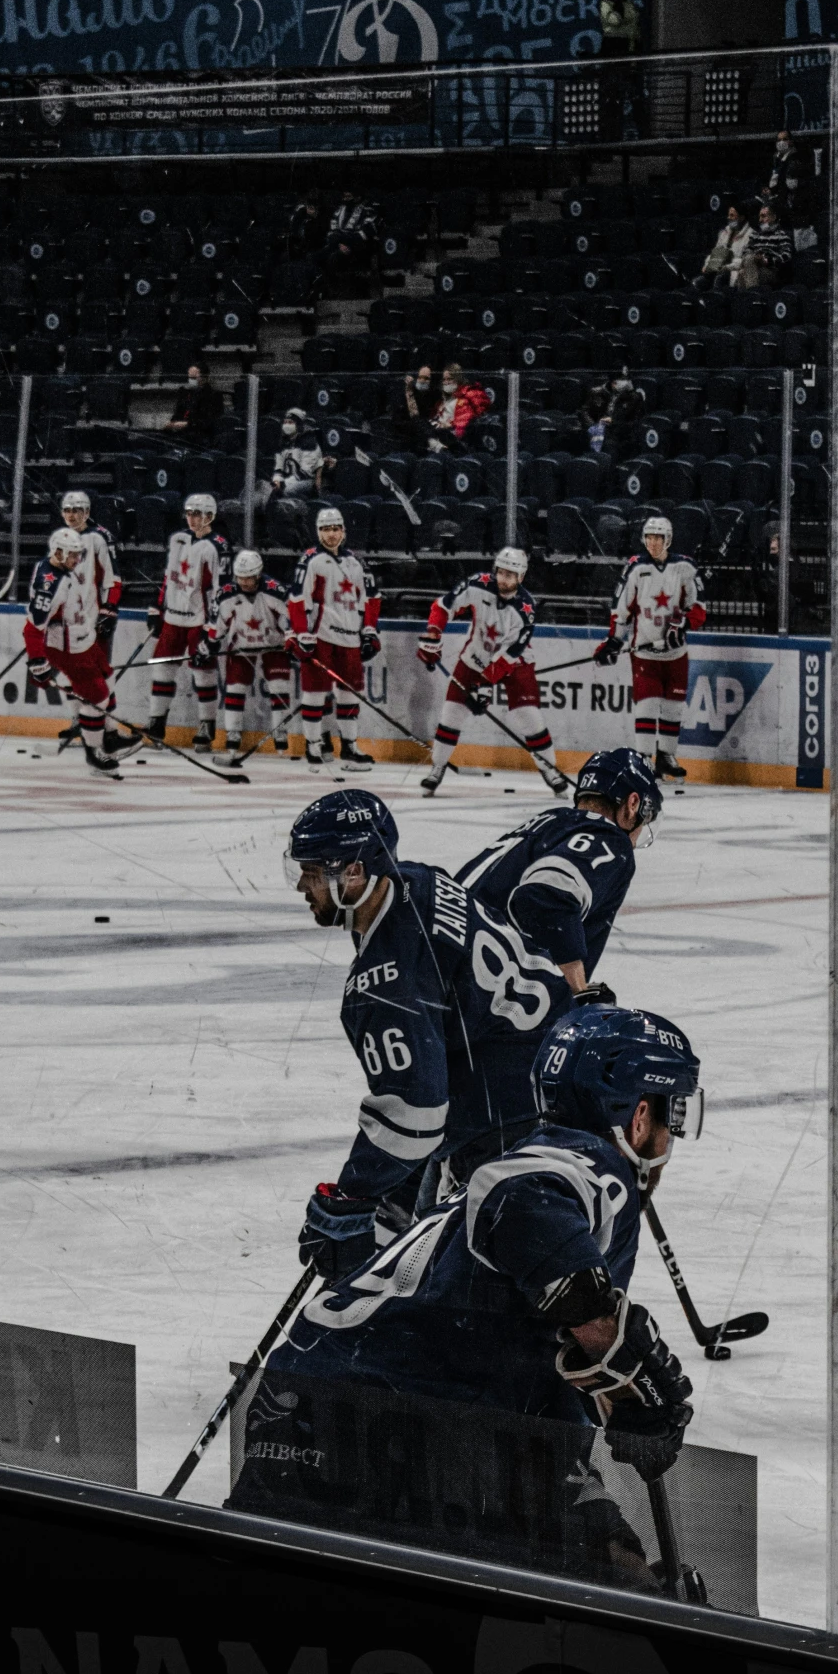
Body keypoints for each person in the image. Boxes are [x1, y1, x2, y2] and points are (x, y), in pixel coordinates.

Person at [230, 1005, 699, 1593]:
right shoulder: (590, 1164)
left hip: (302, 1403)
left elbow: (540, 1424)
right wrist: (610, 1338)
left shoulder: (534, 1152)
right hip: (380, 1429)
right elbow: (517, 1199)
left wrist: (617, 1551)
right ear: (638, 1117)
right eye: (672, 1114)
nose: (670, 1138)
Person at [282, 789, 571, 1280]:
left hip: (510, 1116)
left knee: (474, 1280)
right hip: (559, 1059)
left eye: (311, 873)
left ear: (352, 872)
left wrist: (353, 1195)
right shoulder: (417, 879)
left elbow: (414, 1116)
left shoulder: (385, 982)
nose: (301, 887)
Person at [454, 747, 661, 995]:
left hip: (439, 958)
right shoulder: (611, 838)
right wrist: (576, 991)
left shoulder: (551, 820)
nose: (636, 838)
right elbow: (543, 897)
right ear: (633, 803)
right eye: (645, 817)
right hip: (467, 986)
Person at [417, 546, 564, 797]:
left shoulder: (526, 608)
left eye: (511, 575)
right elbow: (443, 606)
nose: (504, 579)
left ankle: (550, 769)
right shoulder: (478, 584)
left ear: (521, 577)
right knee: (451, 714)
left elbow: (512, 652)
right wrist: (433, 633)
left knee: (529, 717)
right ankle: (437, 767)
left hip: (514, 664)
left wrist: (484, 684)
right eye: (501, 572)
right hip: (475, 657)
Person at [594, 515, 704, 783]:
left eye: (659, 538)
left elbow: (698, 607)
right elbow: (621, 610)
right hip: (644, 652)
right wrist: (614, 641)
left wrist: (683, 625)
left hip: (676, 653)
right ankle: (644, 760)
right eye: (649, 537)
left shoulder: (685, 567)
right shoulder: (635, 568)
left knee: (673, 707)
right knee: (647, 704)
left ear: (668, 540)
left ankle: (666, 756)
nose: (653, 543)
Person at [287, 505, 382, 771]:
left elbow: (372, 598)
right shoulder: (311, 560)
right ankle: (313, 743)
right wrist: (300, 632)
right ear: (318, 532)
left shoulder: (357, 562)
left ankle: (349, 745)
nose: (331, 534)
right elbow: (297, 598)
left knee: (349, 693)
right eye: (326, 529)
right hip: (321, 638)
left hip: (351, 638)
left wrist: (369, 630)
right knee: (315, 692)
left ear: (343, 531)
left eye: (335, 529)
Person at [25, 527, 120, 778]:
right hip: (67, 646)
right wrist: (37, 660)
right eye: (73, 555)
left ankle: (109, 735)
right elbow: (33, 628)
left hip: (81, 638)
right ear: (58, 552)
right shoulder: (52, 585)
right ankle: (94, 751)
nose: (78, 560)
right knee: (97, 695)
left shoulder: (61, 570)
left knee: (106, 677)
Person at [145, 492, 231, 752]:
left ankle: (206, 726)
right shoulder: (178, 539)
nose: (193, 519)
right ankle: (156, 725)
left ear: (211, 516)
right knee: (161, 670)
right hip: (173, 617)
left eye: (199, 514)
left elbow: (222, 590)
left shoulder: (218, 546)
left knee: (203, 674)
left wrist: (212, 629)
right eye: (190, 513)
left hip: (199, 620)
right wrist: (156, 608)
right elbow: (168, 578)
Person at [206, 549, 291, 758]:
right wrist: (210, 643)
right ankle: (233, 733)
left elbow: (291, 618)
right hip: (241, 646)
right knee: (235, 687)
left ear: (259, 574)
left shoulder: (276, 591)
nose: (244, 582)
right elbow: (217, 624)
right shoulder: (226, 593)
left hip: (274, 645)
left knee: (279, 687)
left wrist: (292, 639)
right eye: (240, 577)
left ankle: (280, 732)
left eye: (248, 577)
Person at [58, 488, 122, 667]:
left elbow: (113, 577)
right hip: (70, 619)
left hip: (93, 617)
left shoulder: (98, 537)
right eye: (67, 510)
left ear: (86, 512)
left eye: (76, 510)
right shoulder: (61, 540)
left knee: (96, 675)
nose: (71, 515)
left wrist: (109, 608)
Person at [262, 406, 326, 549]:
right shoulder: (283, 444)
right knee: (264, 489)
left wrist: (281, 485)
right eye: (285, 422)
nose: (287, 425)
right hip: (288, 482)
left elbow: (305, 472)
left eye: (290, 422)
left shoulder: (309, 443)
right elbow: (278, 468)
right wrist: (277, 480)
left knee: (285, 491)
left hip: (306, 482)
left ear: (298, 424)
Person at [405, 361, 490, 455]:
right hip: (438, 434)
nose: (446, 382)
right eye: (444, 379)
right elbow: (430, 417)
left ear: (457, 379)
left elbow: (463, 424)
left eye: (449, 379)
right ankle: (435, 446)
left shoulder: (466, 398)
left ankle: (436, 446)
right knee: (417, 422)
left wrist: (449, 424)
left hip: (454, 439)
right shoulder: (442, 400)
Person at [598, 0, 641, 143]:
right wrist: (617, 3)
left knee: (634, 97)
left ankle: (637, 137)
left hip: (631, 52)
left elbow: (634, 26)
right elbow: (614, 22)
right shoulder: (605, 3)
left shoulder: (628, 3)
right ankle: (610, 138)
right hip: (614, 53)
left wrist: (636, 52)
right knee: (612, 99)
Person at [320, 192, 380, 290]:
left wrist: (342, 238)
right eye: (344, 196)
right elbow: (332, 232)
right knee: (319, 255)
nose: (346, 199)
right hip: (339, 245)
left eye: (349, 197)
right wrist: (340, 244)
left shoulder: (367, 211)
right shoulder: (338, 211)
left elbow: (366, 233)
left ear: (357, 198)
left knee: (333, 257)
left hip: (358, 246)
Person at [738, 202, 793, 289]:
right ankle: (751, 295)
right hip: (753, 266)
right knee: (743, 270)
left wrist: (767, 261)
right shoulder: (755, 234)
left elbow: (787, 256)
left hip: (771, 271)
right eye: (759, 216)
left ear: (774, 217)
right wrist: (756, 257)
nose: (760, 220)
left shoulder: (782, 235)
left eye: (763, 216)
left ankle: (751, 294)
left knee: (743, 273)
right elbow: (746, 251)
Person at [697, 202, 751, 289]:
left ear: (741, 218)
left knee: (719, 279)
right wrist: (707, 265)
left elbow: (745, 261)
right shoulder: (725, 232)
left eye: (732, 215)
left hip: (733, 272)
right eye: (728, 215)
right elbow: (715, 253)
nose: (728, 218)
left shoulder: (750, 235)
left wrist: (725, 266)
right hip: (717, 268)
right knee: (699, 282)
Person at [164, 364, 223, 440]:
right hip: (179, 432)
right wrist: (171, 424)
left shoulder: (213, 395)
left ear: (205, 378)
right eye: (190, 377)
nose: (191, 380)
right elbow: (178, 413)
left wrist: (187, 424)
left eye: (194, 378)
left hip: (197, 434)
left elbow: (209, 421)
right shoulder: (185, 393)